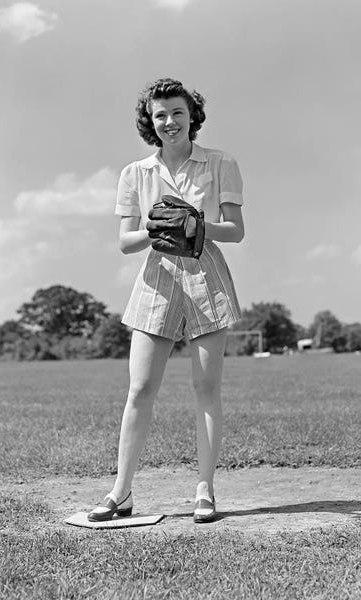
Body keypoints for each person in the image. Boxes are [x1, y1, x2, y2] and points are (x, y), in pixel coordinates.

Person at [88, 77, 245, 524]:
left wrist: (195, 223)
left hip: (206, 277)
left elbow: (235, 230)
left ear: (191, 115)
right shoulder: (135, 173)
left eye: (177, 112)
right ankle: (120, 493)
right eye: (160, 115)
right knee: (139, 389)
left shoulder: (220, 163)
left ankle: (205, 492)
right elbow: (125, 242)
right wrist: (159, 231)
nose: (170, 121)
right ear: (150, 122)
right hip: (157, 278)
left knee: (205, 389)